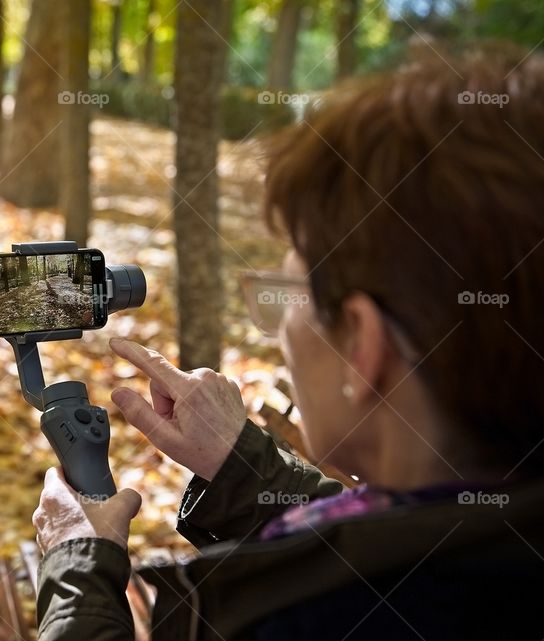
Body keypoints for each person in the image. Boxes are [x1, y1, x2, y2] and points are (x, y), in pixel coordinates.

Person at [32, 50, 544, 641]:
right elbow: (400, 547)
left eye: (289, 294)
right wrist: (241, 466)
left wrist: (76, 573)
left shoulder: (304, 624)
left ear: (363, 345)